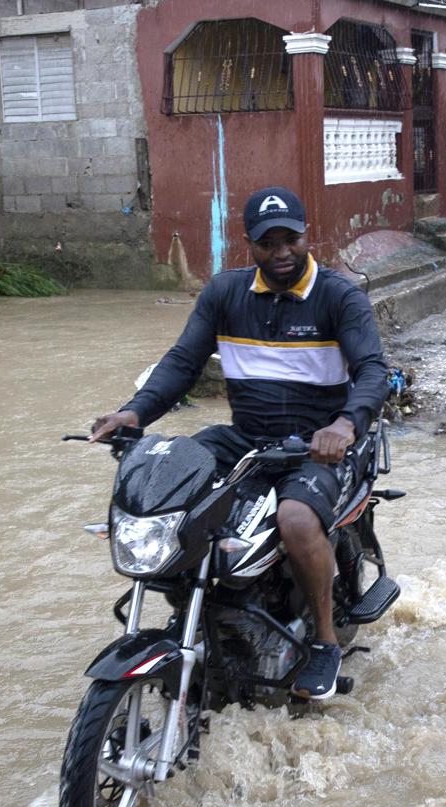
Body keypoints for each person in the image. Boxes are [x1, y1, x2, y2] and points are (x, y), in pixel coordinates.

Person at [90, 186, 388, 701]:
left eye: (290, 239)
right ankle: (199, 611)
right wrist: (134, 412)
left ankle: (322, 640)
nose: (281, 253)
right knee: (169, 479)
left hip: (314, 445)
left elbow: (372, 372)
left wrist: (344, 425)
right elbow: (182, 362)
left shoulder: (340, 296)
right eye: (267, 242)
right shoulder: (224, 293)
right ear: (249, 243)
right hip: (244, 438)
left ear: (305, 235)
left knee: (296, 518)